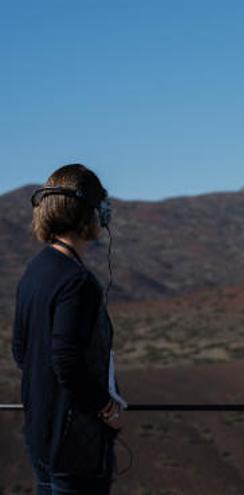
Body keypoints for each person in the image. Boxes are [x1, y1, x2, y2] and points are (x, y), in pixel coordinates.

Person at [12, 164, 125, 494]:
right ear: (89, 214)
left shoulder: (35, 271)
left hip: (40, 435)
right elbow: (66, 360)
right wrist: (106, 408)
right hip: (74, 444)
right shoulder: (77, 282)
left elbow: (21, 350)